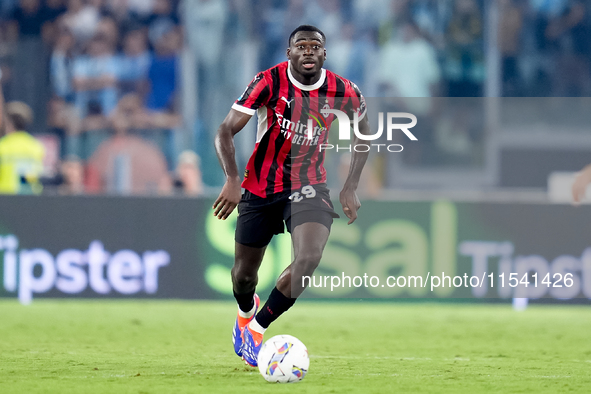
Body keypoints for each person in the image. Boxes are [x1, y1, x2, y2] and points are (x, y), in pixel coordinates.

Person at [213, 25, 370, 367]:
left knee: (309, 258)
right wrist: (231, 179)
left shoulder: (344, 90)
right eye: (301, 45)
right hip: (260, 186)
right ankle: (245, 312)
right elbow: (225, 129)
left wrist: (351, 185)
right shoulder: (268, 81)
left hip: (308, 185)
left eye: (316, 46)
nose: (309, 51)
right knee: (243, 275)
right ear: (290, 53)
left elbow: (363, 136)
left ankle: (257, 329)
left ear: (325, 54)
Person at [0, 101, 45, 194]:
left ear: (9, 123)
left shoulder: (3, 146)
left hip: (5, 197)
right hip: (30, 197)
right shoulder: (36, 146)